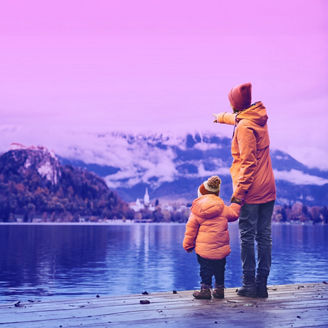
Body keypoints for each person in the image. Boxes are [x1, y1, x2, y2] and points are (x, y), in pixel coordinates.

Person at [214, 82, 276, 298]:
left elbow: (248, 164)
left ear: (235, 105)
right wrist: (221, 117)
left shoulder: (243, 128)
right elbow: (239, 118)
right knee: (264, 236)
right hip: (269, 188)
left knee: (248, 236)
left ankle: (249, 284)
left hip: (251, 190)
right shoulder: (257, 118)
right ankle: (262, 285)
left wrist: (238, 197)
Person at [183, 176, 240, 299]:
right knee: (220, 269)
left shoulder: (197, 210)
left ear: (201, 193)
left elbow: (190, 229)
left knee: (205, 269)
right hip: (220, 249)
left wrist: (188, 245)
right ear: (217, 192)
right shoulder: (223, 208)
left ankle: (205, 290)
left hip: (203, 250)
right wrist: (236, 202)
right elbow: (234, 215)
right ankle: (219, 290)